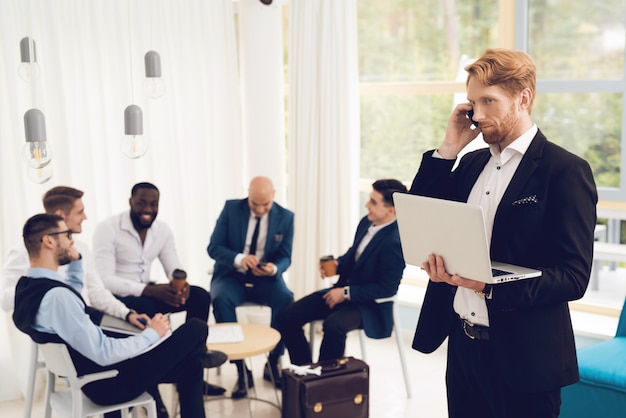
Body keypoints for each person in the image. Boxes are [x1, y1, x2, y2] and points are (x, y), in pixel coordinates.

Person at [408, 48, 598, 418]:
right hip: (463, 349)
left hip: (527, 360)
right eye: (472, 103)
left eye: (488, 101)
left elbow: (572, 278)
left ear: (523, 98)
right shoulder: (471, 162)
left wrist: (485, 284)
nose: (477, 115)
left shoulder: (565, 171)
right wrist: (448, 149)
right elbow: (419, 216)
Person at [13, 213, 208, 418]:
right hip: (109, 383)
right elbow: (103, 352)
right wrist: (152, 334)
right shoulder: (57, 297)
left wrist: (77, 261)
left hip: (95, 375)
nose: (72, 240)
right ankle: (200, 352)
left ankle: (197, 355)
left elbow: (71, 295)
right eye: (68, 234)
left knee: (192, 366)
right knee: (196, 328)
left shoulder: (31, 287)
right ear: (49, 241)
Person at [92, 182, 226, 396]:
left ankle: (196, 359)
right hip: (118, 299)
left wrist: (179, 287)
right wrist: (149, 290)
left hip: (148, 292)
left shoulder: (162, 230)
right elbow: (105, 280)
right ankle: (153, 388)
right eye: (142, 203)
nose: (148, 209)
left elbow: (174, 266)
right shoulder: (108, 229)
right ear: (130, 202)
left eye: (154, 204)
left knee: (199, 295)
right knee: (146, 305)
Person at [275, 179, 407, 365]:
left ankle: (325, 382)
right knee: (287, 316)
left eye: (373, 202)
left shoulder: (395, 241)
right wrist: (337, 264)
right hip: (344, 292)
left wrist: (346, 293)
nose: (366, 205)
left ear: (391, 210)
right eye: (369, 199)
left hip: (370, 306)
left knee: (334, 325)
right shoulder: (366, 223)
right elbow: (354, 255)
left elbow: (387, 288)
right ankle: (306, 372)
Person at [1, 186, 146, 326]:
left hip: (89, 319)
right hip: (66, 327)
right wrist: (38, 286)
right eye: (80, 212)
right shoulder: (24, 251)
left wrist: (127, 314)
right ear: (60, 215)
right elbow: (4, 300)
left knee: (147, 330)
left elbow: (97, 292)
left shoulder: (81, 249)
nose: (85, 217)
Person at [207, 176, 294, 398]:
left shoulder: (286, 218)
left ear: (274, 194)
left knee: (286, 299)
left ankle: (273, 362)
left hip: (265, 279)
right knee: (220, 300)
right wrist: (239, 259)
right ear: (248, 195)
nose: (260, 209)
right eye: (255, 204)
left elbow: (285, 257)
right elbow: (214, 247)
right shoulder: (231, 209)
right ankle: (241, 370)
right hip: (231, 275)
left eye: (265, 204)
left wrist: (273, 268)